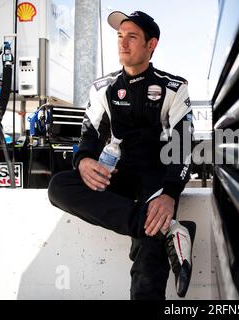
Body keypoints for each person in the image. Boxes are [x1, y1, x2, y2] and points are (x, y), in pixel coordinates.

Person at [48, 10, 196, 300]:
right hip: (115, 176)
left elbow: (184, 145)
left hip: (157, 179)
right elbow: (88, 136)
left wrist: (170, 193)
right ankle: (167, 230)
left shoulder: (173, 88)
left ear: (151, 45)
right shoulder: (103, 88)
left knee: (148, 259)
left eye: (132, 37)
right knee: (58, 187)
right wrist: (84, 161)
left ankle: (156, 227)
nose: (122, 43)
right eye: (119, 36)